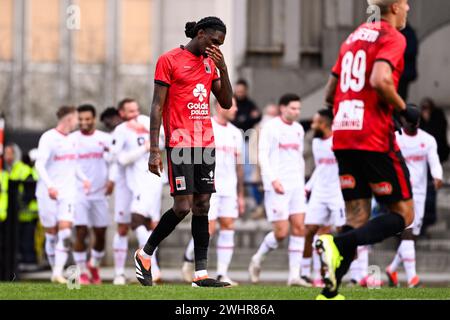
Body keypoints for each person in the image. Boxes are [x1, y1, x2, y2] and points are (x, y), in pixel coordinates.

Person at [317, 0, 415, 300]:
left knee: (357, 218)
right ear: (396, 6)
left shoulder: (354, 36)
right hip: (372, 136)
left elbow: (330, 94)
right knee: (404, 214)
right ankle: (337, 244)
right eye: (406, 3)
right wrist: (403, 109)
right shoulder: (393, 37)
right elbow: (380, 80)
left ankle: (330, 292)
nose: (409, 8)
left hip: (344, 135)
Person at [135, 16, 233, 287]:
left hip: (205, 143)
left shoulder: (211, 63)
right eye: (213, 41)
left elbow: (225, 102)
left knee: (203, 206)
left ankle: (200, 275)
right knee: (183, 206)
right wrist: (154, 149)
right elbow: (156, 106)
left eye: (220, 44)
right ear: (200, 34)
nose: (216, 47)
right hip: (179, 142)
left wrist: (223, 68)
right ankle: (145, 254)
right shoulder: (169, 60)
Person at [182, 97, 244, 285]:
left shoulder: (236, 133)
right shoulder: (206, 126)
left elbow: (239, 165)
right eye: (231, 104)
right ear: (219, 106)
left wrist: (240, 194)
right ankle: (188, 257)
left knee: (228, 226)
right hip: (209, 187)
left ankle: (222, 273)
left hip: (229, 188)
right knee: (209, 229)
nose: (235, 108)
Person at [248, 93, 306, 286]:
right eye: (293, 108)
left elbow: (299, 158)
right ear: (283, 108)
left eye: (298, 108)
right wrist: (272, 181)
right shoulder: (271, 128)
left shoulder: (298, 129)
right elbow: (262, 156)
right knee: (281, 233)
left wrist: (303, 184)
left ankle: (294, 276)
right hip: (278, 185)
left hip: (296, 185)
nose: (297, 112)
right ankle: (257, 258)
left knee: (299, 227)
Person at [386, 105, 443, 288]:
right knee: (407, 230)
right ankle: (413, 279)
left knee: (413, 233)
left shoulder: (427, 140)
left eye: (416, 122)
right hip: (400, 191)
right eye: (410, 122)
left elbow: (434, 161)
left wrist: (437, 175)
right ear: (403, 121)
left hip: (419, 192)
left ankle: (392, 269)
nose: (413, 125)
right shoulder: (395, 139)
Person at [111, 99, 164, 283]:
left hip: (149, 181)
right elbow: (119, 159)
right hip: (130, 184)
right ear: (122, 113)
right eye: (130, 111)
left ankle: (153, 268)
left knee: (140, 221)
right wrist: (144, 148)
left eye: (136, 110)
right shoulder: (121, 130)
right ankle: (120, 273)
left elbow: (163, 144)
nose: (134, 114)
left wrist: (152, 147)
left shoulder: (149, 122)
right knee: (127, 226)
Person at [35, 106, 89, 283]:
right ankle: (54, 271)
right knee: (51, 234)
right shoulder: (48, 137)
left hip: (68, 193)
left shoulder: (73, 140)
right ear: (69, 119)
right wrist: (50, 186)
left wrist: (84, 179)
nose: (78, 122)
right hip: (48, 193)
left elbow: (74, 164)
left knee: (65, 232)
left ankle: (58, 272)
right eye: (76, 119)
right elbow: (39, 165)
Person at [300, 109, 346, 287]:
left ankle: (357, 274)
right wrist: (308, 187)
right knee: (310, 231)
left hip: (337, 194)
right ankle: (305, 274)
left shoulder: (339, 141)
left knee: (345, 232)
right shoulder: (316, 142)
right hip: (319, 193)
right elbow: (320, 168)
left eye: (315, 122)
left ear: (325, 124)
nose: (312, 126)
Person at [71, 104, 114, 285]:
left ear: (94, 119)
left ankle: (94, 265)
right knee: (80, 232)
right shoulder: (72, 139)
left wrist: (111, 180)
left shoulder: (105, 138)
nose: (84, 122)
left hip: (100, 193)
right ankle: (81, 272)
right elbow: (70, 164)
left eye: (87, 119)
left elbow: (115, 161)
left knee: (101, 233)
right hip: (79, 193)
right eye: (80, 119)